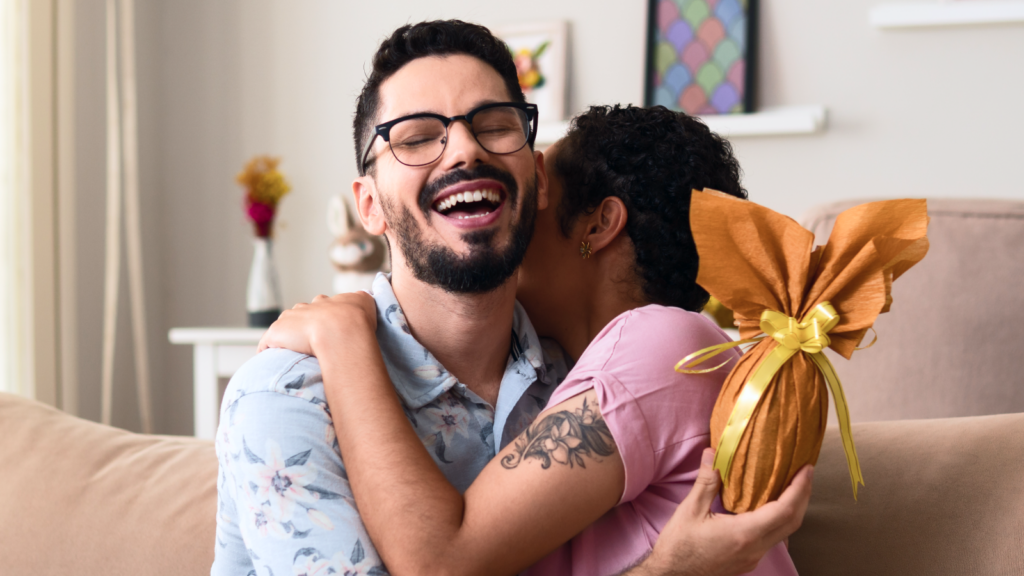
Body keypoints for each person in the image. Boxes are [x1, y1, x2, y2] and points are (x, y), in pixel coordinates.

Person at [212, 19, 810, 576]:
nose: (465, 150)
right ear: (368, 205)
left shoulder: (585, 373)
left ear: (540, 182)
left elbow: (442, 558)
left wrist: (343, 339)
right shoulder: (288, 393)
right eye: (417, 137)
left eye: (494, 124)